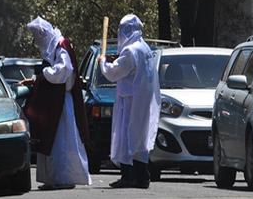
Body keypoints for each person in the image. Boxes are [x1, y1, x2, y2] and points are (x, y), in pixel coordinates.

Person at [22, 17, 92, 190]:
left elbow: (63, 71)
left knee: (61, 139)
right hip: (53, 101)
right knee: (52, 139)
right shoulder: (53, 47)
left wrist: (44, 73)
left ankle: (63, 177)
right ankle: (52, 178)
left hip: (61, 102)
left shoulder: (61, 45)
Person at [99, 14, 161, 188]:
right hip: (142, 99)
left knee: (127, 136)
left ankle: (129, 176)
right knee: (139, 137)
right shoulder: (144, 48)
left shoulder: (131, 50)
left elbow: (114, 72)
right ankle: (142, 176)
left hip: (130, 100)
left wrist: (103, 63)